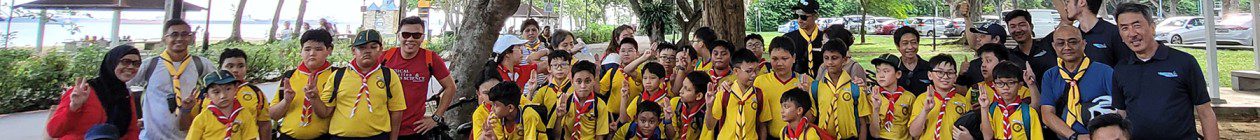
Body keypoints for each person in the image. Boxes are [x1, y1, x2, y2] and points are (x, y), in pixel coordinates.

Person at [1111, 3, 1218, 139]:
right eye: (1124, 28)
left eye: (1137, 25)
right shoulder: (1121, 69)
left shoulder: (1184, 62)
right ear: (1120, 34)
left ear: (1152, 27)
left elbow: (1205, 112)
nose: (1132, 33)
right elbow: (1121, 114)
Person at [309, 29, 407, 140]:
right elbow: (324, 112)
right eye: (362, 48)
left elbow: (397, 111)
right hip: (341, 137)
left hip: (377, 137)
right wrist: (314, 97)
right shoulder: (338, 76)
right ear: (353, 50)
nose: (367, 51)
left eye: (373, 47)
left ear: (381, 50)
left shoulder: (389, 75)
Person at [129, 19, 218, 140]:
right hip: (152, 136)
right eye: (174, 34)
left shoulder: (201, 64)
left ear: (191, 38)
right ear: (164, 38)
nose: (180, 38)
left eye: (185, 34)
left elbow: (221, 87)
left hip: (188, 136)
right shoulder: (150, 65)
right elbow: (123, 84)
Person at [376, 16, 458, 139]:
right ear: (398, 35)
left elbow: (450, 87)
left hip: (415, 130)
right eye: (406, 34)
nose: (410, 39)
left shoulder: (430, 58)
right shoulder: (385, 56)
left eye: (416, 35)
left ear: (422, 38)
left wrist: (436, 117)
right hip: (383, 128)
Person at [47, 45, 142, 140]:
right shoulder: (83, 91)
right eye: (125, 62)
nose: (131, 67)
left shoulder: (125, 96)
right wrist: (73, 107)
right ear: (112, 62)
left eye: (136, 63)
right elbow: (54, 131)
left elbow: (132, 131)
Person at [1039, 25, 1116, 140]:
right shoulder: (1050, 75)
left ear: (1083, 44)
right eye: (1060, 43)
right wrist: (1074, 136)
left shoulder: (1105, 72)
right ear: (1054, 47)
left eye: (1073, 42)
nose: (1067, 47)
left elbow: (1120, 110)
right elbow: (1047, 114)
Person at [180, 49, 271, 140]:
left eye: (241, 66)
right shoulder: (204, 94)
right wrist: (186, 110)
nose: (235, 70)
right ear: (220, 68)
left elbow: (264, 123)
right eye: (230, 66)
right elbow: (186, 127)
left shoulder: (255, 93)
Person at [271, 29, 336, 140]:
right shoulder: (289, 76)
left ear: (329, 50)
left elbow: (327, 113)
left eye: (318, 49)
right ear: (301, 51)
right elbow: (273, 115)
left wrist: (314, 98)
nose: (312, 53)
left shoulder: (336, 76)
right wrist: (286, 101)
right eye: (307, 49)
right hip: (287, 137)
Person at [806, 39, 871, 139]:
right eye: (826, 58)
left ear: (844, 60)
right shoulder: (816, 87)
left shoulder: (855, 88)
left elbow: (862, 123)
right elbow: (812, 116)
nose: (830, 62)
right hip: (824, 137)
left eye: (834, 58)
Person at [751, 36, 809, 140]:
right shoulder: (760, 81)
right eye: (775, 59)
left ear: (794, 58)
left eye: (784, 58)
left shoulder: (805, 82)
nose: (779, 63)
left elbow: (811, 117)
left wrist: (805, 95)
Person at [1041, 0, 1130, 66]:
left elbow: (1126, 67)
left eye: (1068, 2)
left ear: (1082, 2)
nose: (1065, 7)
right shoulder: (1073, 36)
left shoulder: (1114, 32)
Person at [707, 49, 770, 139]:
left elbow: (762, 125)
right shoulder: (724, 93)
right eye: (749, 71)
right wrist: (709, 106)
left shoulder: (760, 95)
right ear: (736, 71)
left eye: (756, 70)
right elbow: (710, 126)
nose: (753, 75)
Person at [186, 71, 266, 140]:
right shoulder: (201, 119)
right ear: (207, 96)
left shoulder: (244, 114)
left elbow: (250, 138)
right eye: (216, 92)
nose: (223, 95)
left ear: (235, 89)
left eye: (228, 89)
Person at [909, 54, 972, 140]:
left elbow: (970, 130)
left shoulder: (963, 101)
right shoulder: (922, 99)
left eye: (950, 73)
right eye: (940, 72)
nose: (945, 76)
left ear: (955, 77)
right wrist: (925, 111)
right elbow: (914, 133)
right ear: (930, 75)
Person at [978, 62, 1044, 140]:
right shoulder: (992, 110)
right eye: (1000, 83)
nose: (1005, 87)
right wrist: (984, 108)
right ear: (994, 85)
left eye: (1011, 83)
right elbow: (987, 137)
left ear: (1020, 85)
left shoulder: (1029, 113)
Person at [552, 61, 612, 139]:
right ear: (572, 82)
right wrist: (559, 117)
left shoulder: (600, 105)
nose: (583, 86)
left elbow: (599, 137)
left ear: (594, 81)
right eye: (579, 81)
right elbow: (557, 136)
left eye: (587, 81)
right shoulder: (565, 101)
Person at [473, 82, 549, 140]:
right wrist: (493, 136)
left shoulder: (529, 115)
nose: (492, 109)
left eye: (495, 105)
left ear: (510, 108)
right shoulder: (496, 118)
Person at [868, 53, 917, 140]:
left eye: (886, 71)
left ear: (898, 74)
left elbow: (914, 128)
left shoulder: (909, 98)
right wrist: (876, 109)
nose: (881, 75)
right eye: (878, 71)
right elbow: (874, 134)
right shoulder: (873, 96)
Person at [1004, 10, 1058, 80]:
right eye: (1013, 27)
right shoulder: (1009, 56)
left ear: (1031, 26)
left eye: (1022, 25)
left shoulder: (1048, 44)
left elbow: (1066, 22)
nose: (1018, 30)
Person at [601, 38, 644, 120]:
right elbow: (600, 91)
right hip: (612, 117)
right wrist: (596, 75)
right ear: (618, 53)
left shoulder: (642, 74)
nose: (626, 54)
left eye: (630, 50)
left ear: (637, 53)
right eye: (623, 51)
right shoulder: (612, 72)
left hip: (634, 117)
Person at [783, 0, 823, 75]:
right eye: (796, 16)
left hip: (821, 83)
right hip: (795, 83)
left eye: (803, 17)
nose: (799, 20)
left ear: (815, 16)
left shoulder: (825, 38)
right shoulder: (788, 38)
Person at [668, 71, 711, 139]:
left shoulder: (707, 113)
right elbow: (671, 137)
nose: (680, 91)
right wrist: (668, 121)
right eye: (682, 86)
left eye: (686, 89)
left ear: (699, 96)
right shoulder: (675, 103)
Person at [892, 27, 933, 95]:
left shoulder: (929, 67)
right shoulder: (893, 69)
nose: (910, 47)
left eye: (914, 42)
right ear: (897, 46)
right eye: (905, 43)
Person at [469, 66, 504, 140]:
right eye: (486, 93)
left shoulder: (516, 98)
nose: (491, 96)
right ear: (478, 93)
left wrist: (530, 92)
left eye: (495, 90)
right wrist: (485, 135)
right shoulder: (479, 114)